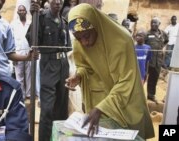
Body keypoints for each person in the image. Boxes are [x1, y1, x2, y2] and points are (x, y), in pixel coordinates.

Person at [65, 3, 154, 139]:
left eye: (87, 36)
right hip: (98, 101)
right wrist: (78, 76)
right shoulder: (79, 40)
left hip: (125, 102)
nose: (84, 43)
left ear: (96, 25)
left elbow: (126, 81)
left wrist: (101, 108)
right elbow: (85, 67)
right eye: (79, 38)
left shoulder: (122, 41)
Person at [28, 0, 71, 140]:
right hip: (48, 64)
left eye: (60, 0)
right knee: (47, 109)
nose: (58, 2)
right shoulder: (41, 18)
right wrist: (33, 17)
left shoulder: (64, 21)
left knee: (62, 107)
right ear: (49, 1)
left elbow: (68, 46)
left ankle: (59, 137)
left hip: (64, 65)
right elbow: (32, 39)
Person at [11, 4, 33, 99]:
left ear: (26, 12)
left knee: (29, 74)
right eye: (20, 10)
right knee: (19, 76)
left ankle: (28, 94)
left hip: (29, 52)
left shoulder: (30, 23)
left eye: (23, 10)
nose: (22, 12)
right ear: (17, 12)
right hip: (18, 53)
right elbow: (11, 40)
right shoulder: (13, 24)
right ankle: (22, 95)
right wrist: (13, 54)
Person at [145, 17, 168, 102]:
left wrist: (160, 48)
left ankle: (151, 95)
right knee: (143, 78)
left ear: (159, 24)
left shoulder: (163, 34)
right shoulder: (147, 34)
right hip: (148, 60)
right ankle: (138, 96)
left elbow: (166, 41)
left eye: (155, 23)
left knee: (154, 78)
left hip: (158, 61)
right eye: (152, 23)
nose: (153, 24)